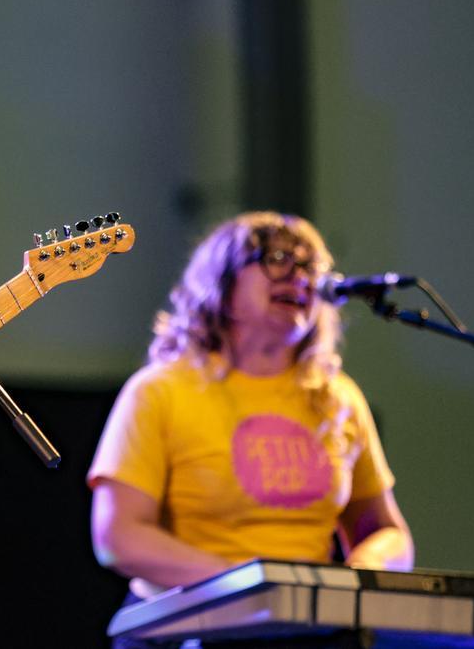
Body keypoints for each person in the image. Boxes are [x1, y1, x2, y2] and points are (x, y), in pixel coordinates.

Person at [88, 212, 413, 602]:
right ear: (221, 283)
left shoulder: (339, 397)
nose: (300, 278)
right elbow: (119, 537)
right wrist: (247, 587)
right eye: (277, 259)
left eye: (311, 267)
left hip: (310, 625)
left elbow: (387, 533)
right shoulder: (160, 391)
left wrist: (361, 576)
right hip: (192, 619)